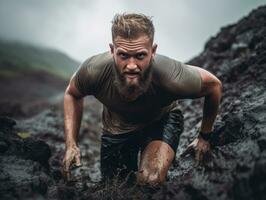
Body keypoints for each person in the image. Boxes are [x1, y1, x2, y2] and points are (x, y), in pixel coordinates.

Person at [63, 13, 222, 186]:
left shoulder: (172, 76)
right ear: (112, 50)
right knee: (116, 187)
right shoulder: (94, 71)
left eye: (140, 56)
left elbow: (214, 86)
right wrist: (71, 144)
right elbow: (72, 94)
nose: (131, 66)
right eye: (123, 55)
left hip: (160, 121)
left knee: (150, 181)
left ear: (153, 52)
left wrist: (204, 137)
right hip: (117, 128)